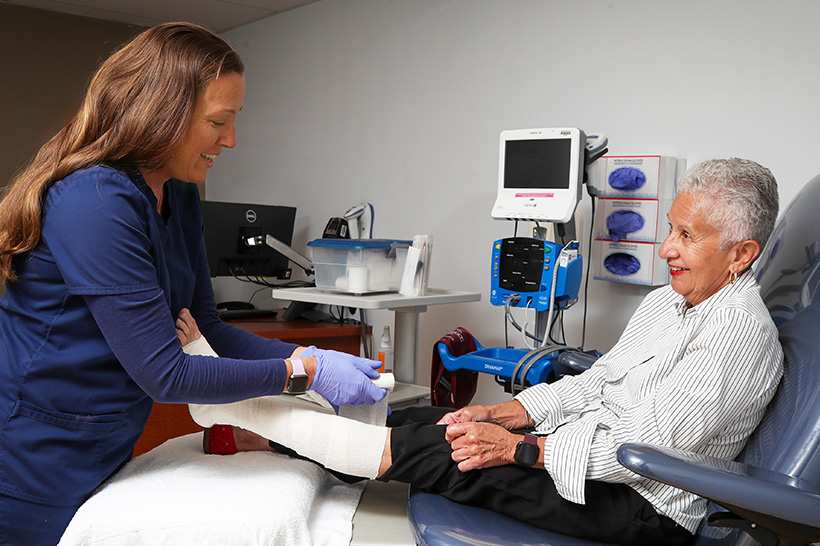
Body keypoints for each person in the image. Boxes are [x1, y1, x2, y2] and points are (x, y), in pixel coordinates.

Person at [193, 158, 785, 546]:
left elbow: (642, 452)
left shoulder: (737, 334)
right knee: (428, 417)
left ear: (741, 254)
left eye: (688, 236)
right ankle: (265, 433)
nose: (666, 249)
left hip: (641, 506)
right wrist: (504, 414)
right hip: (591, 459)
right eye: (671, 229)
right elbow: (594, 385)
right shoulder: (666, 304)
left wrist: (520, 451)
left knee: (445, 453)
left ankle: (247, 423)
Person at [0, 22, 386, 545]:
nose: (231, 140)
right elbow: (165, 373)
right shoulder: (94, 202)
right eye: (218, 121)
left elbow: (207, 329)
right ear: (161, 114)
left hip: (106, 440)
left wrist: (310, 354)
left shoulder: (178, 195)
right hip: (31, 455)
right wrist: (302, 374)